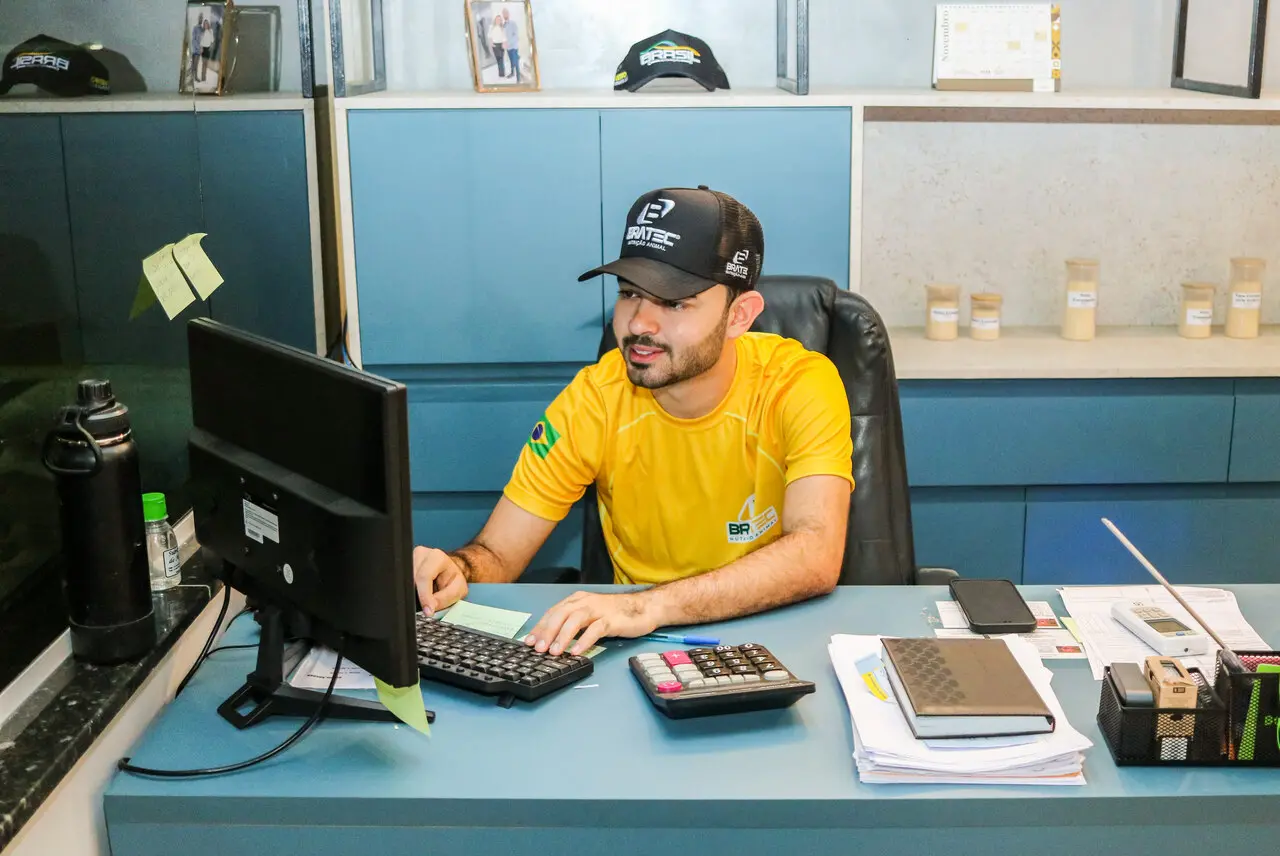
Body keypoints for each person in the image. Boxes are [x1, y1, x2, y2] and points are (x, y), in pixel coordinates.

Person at [413, 186, 854, 658]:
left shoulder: (799, 383)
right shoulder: (593, 399)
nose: (640, 323)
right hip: (641, 651)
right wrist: (457, 569)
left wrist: (649, 606)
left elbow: (815, 554)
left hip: (779, 636)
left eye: (674, 302)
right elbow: (498, 555)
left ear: (738, 316)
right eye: (629, 294)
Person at [501, 8, 520, 81]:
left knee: (516, 62)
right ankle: (512, 73)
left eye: (506, 13)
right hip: (508, 48)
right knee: (511, 61)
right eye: (504, 13)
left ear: (508, 14)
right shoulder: (503, 25)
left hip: (514, 47)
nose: (505, 14)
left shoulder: (513, 23)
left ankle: (518, 77)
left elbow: (515, 36)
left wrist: (508, 43)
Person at [487, 13, 506, 80]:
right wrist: (491, 43)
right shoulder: (491, 27)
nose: (499, 21)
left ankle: (501, 73)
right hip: (495, 45)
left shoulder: (502, 27)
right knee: (499, 58)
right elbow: (489, 36)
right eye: (497, 19)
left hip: (501, 44)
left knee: (501, 59)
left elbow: (504, 36)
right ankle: (502, 74)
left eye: (500, 20)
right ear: (495, 20)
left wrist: (504, 43)